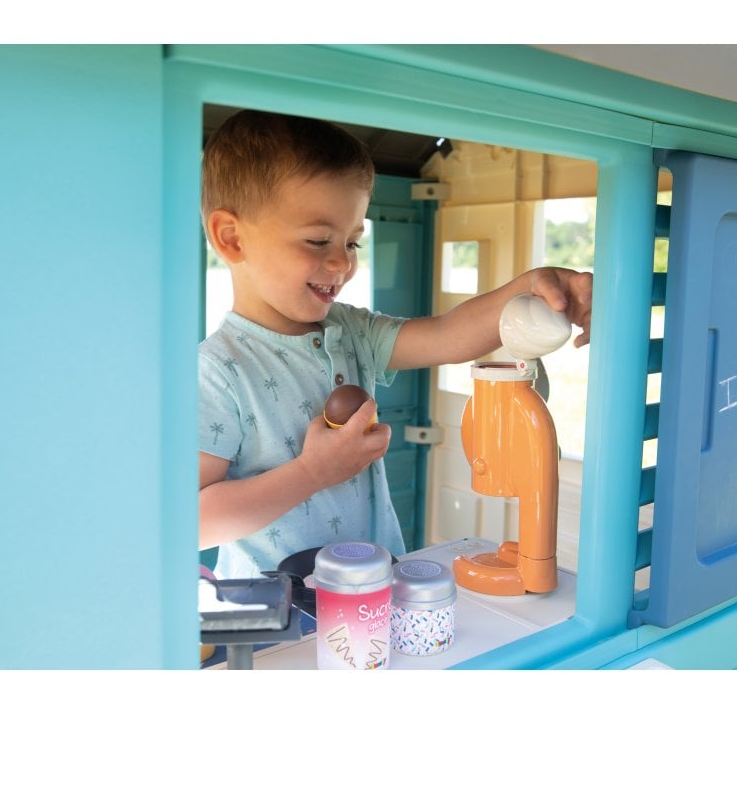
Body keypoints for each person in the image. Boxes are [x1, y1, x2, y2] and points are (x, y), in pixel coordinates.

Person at [198, 110, 592, 578]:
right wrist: (312, 472)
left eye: (352, 243)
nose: (342, 263)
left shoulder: (351, 332)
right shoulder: (218, 370)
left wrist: (532, 286)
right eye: (319, 240)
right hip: (279, 611)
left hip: (376, 590)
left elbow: (447, 336)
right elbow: (195, 521)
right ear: (231, 238)